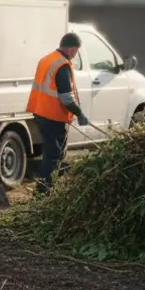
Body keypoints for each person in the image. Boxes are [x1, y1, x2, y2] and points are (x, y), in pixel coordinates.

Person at [26, 32, 89, 194]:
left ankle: (48, 187)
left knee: (51, 152)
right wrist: (79, 113)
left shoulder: (47, 59)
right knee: (54, 155)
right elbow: (66, 98)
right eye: (76, 50)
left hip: (40, 111)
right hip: (53, 115)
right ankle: (45, 190)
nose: (75, 54)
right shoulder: (62, 65)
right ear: (70, 48)